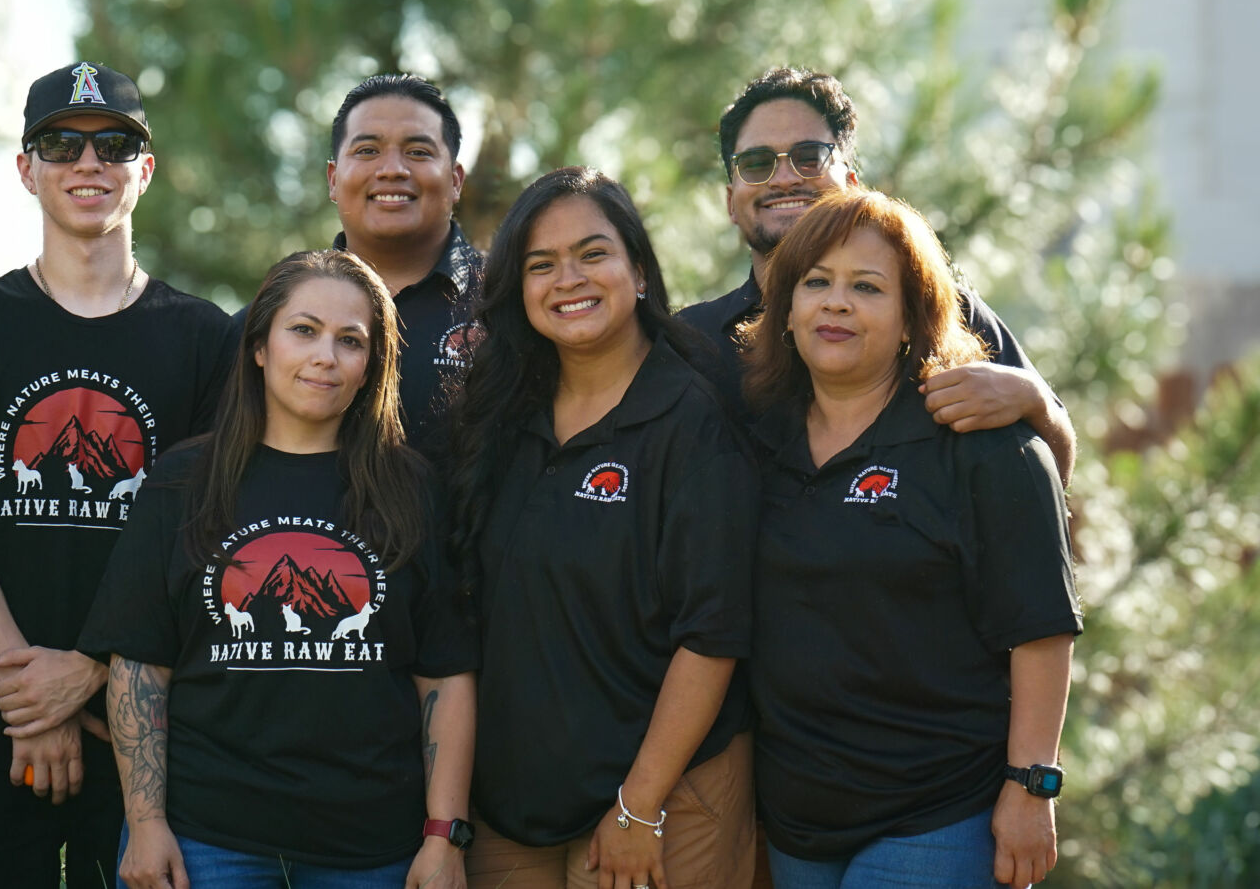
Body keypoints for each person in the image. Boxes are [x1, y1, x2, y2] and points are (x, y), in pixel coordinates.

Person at [0, 61, 235, 888]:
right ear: (26, 168)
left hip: (150, 738)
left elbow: (208, 541)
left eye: (114, 145)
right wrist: (31, 693)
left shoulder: (204, 338)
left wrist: (91, 670)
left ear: (145, 170)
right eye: (61, 145)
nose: (88, 163)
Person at [81, 249, 477, 889]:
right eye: (304, 330)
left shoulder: (411, 490)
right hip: (206, 843)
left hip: (372, 850)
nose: (326, 356)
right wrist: (145, 823)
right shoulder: (184, 481)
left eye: (351, 340)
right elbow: (140, 665)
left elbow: (445, 677)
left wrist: (444, 835)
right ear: (260, 346)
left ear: (372, 365)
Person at [740, 190, 1079, 888]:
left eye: (867, 287)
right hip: (797, 821)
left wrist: (1032, 786)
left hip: (938, 817)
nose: (836, 303)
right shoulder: (755, 442)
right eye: (816, 283)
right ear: (787, 311)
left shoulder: (986, 446)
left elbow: (1041, 629)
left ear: (911, 318)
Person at [449, 167, 758, 889]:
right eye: (541, 264)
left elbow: (713, 634)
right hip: (511, 808)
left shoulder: (692, 420)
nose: (568, 279)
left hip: (660, 797)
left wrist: (639, 804)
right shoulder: (500, 418)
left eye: (593, 253)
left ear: (639, 272)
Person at [678, 66, 1075, 483]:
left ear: (852, 185)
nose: (785, 178)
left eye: (808, 157)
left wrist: (1035, 403)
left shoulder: (945, 313)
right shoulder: (690, 344)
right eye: (757, 163)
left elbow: (1046, 474)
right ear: (730, 202)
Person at [321, 73, 483, 449]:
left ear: (456, 181)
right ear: (333, 179)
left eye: (418, 152)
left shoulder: (514, 301)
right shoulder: (275, 318)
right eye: (367, 151)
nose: (392, 169)